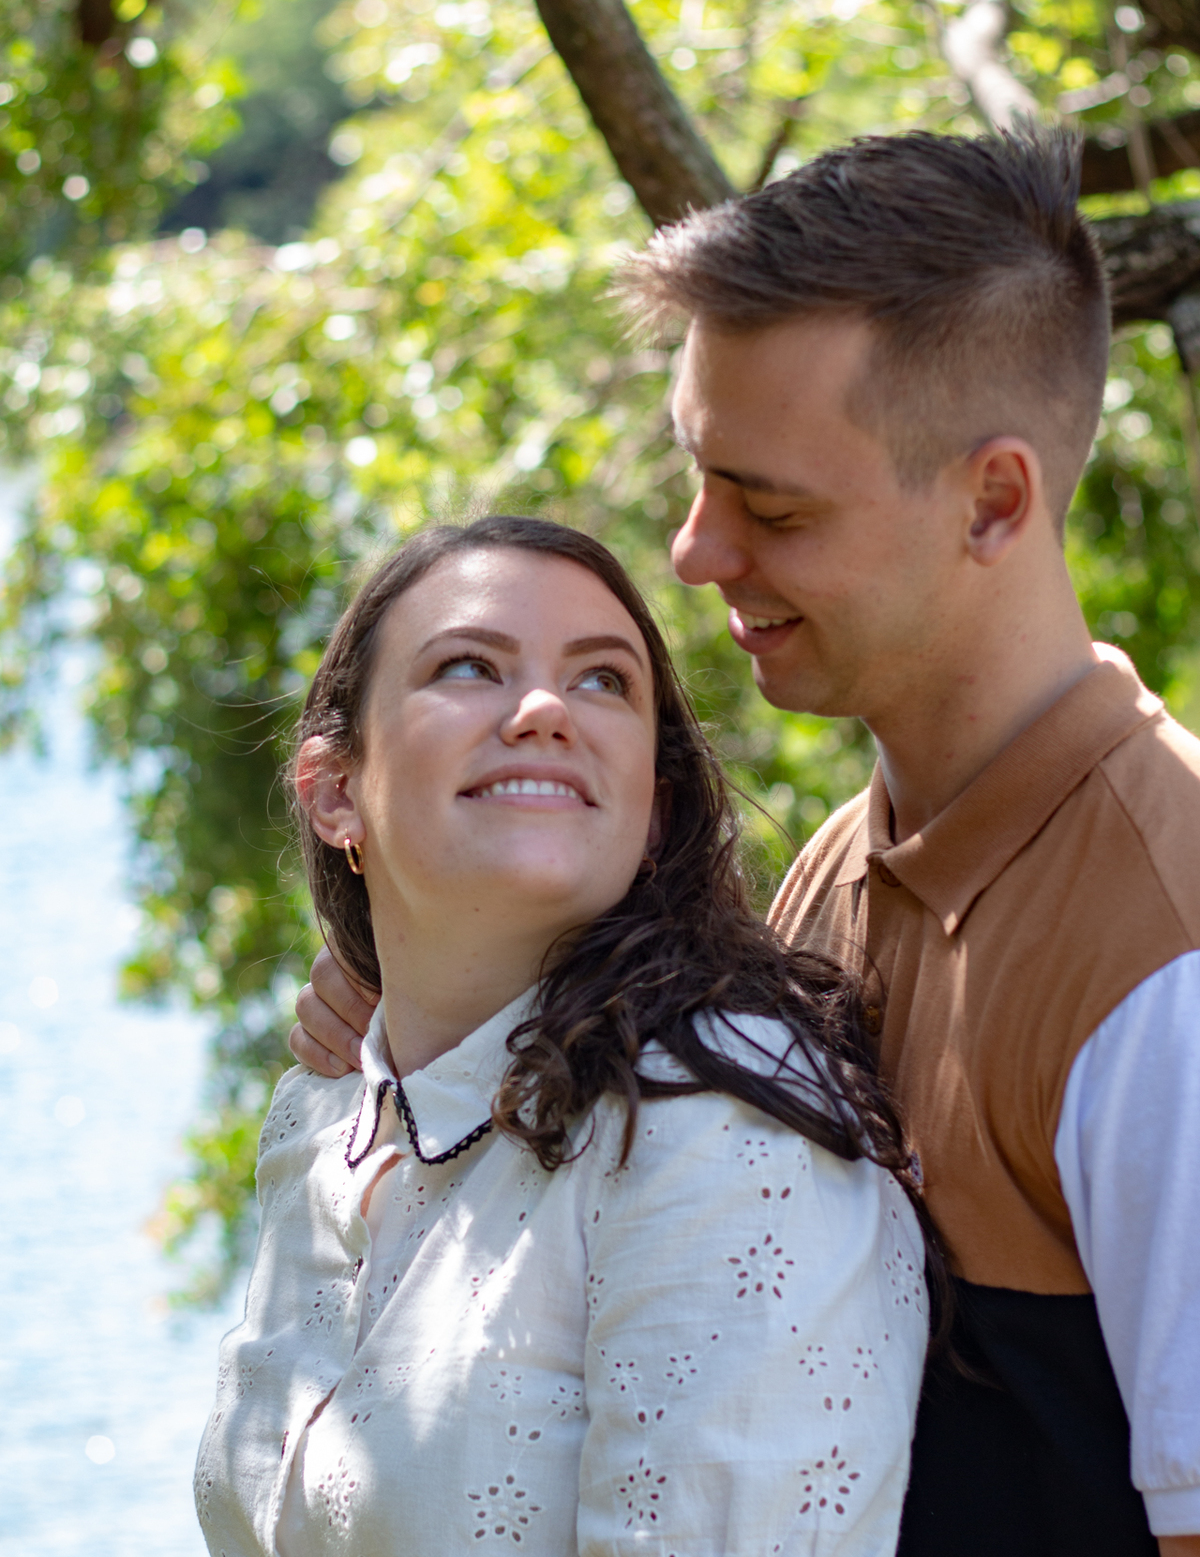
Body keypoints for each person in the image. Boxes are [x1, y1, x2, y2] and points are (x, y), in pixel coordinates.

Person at [296, 130, 1200, 1557]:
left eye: (772, 506)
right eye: (699, 478)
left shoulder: (1169, 960)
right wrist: (411, 1017)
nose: (697, 553)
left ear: (997, 500)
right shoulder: (841, 871)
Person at [197, 515, 929, 1557]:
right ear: (333, 792)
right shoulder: (317, 1115)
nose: (544, 708)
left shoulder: (723, 1140)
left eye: (602, 682)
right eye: (468, 665)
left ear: (656, 813)